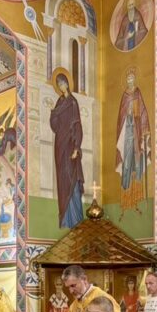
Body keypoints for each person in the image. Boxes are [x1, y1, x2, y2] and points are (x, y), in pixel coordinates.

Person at [50, 73, 85, 229]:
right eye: (59, 85)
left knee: (72, 179)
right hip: (60, 146)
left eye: (63, 84)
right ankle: (65, 218)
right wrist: (54, 114)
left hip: (70, 144)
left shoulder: (72, 103)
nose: (61, 87)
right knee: (62, 181)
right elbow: (54, 126)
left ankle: (76, 219)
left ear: (67, 84)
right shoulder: (60, 102)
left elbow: (77, 126)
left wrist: (76, 147)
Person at [116, 68, 150, 215]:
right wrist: (127, 114)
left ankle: (135, 201)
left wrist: (145, 130)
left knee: (137, 166)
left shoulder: (137, 93)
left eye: (132, 78)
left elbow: (143, 113)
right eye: (128, 78)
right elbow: (121, 117)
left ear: (135, 79)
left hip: (136, 133)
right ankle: (125, 203)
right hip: (126, 135)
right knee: (126, 166)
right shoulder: (125, 96)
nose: (130, 81)